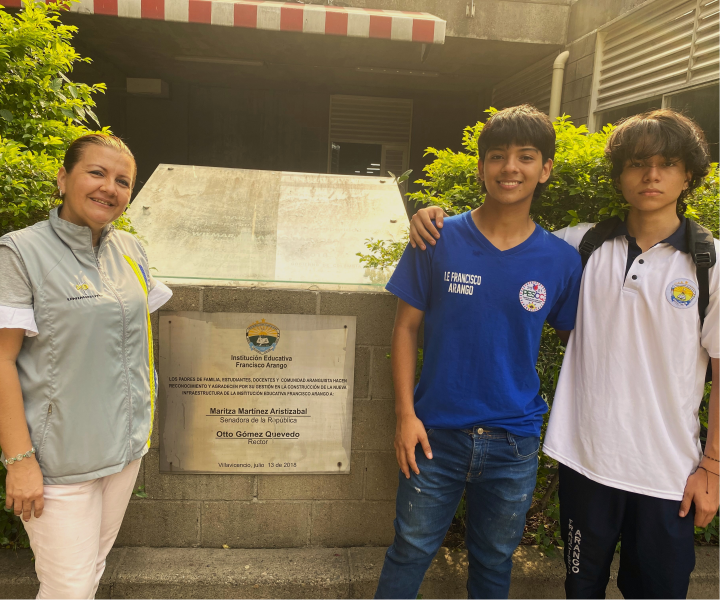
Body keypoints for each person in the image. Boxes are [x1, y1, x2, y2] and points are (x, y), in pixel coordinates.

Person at [410, 109, 720, 599]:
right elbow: (502, 242)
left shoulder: (711, 264)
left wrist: (713, 466)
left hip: (669, 472)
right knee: (581, 591)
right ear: (620, 174)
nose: (652, 175)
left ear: (689, 174)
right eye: (638, 162)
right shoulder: (579, 246)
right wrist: (432, 217)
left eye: (668, 163)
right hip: (585, 461)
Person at [374, 105, 583, 600]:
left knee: (494, 561)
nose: (511, 167)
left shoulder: (561, 260)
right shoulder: (436, 238)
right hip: (435, 435)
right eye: (498, 156)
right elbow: (405, 330)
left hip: (514, 442)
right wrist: (405, 414)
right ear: (481, 167)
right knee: (409, 549)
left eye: (526, 157)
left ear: (545, 169)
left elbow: (579, 345)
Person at [0, 134, 172, 600]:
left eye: (122, 181)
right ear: (63, 178)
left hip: (123, 453)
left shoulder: (132, 252)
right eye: (96, 173)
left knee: (88, 575)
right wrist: (19, 462)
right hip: (58, 463)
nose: (109, 188)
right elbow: (2, 360)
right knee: (68, 590)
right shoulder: (20, 253)